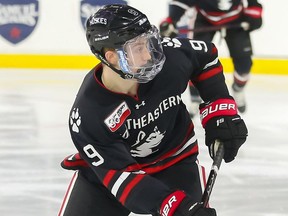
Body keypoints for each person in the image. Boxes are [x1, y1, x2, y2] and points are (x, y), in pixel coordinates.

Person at [58, 4, 248, 216]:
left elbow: (205, 58)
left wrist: (220, 111)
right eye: (138, 49)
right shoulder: (89, 113)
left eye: (149, 43)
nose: (149, 55)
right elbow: (125, 179)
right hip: (111, 174)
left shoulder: (170, 59)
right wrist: (175, 207)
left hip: (175, 160)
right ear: (112, 57)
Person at [160, 0, 263, 115]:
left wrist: (254, 11)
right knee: (197, 60)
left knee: (244, 64)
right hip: (205, 19)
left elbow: (253, 4)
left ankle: (238, 89)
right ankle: (195, 98)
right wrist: (171, 20)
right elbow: (181, 2)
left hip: (236, 19)